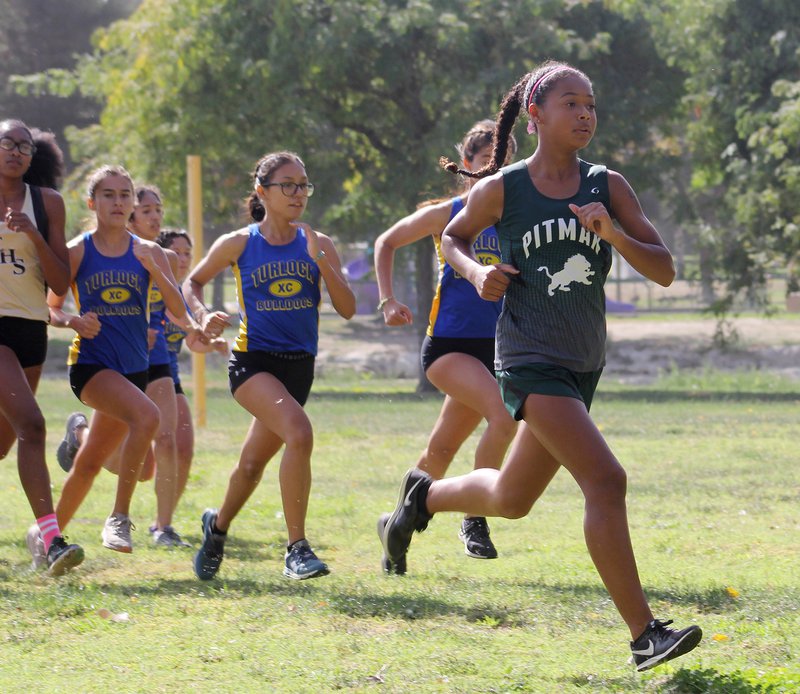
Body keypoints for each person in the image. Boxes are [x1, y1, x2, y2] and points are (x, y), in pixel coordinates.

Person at [379, 61, 702, 671]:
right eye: (570, 104)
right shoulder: (503, 187)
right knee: (606, 482)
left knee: (510, 496)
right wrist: (477, 273)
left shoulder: (609, 186)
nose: (585, 114)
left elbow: (663, 270)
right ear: (536, 116)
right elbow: (452, 237)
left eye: (591, 105)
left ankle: (421, 500)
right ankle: (644, 636)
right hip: (528, 360)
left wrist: (612, 235)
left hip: (582, 366)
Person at [186, 151, 356, 581]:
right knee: (299, 432)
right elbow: (192, 282)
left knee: (250, 465)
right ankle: (297, 549)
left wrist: (320, 259)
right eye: (288, 185)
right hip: (253, 363)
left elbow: (349, 309)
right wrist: (203, 314)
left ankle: (217, 527)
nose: (298, 193)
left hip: (299, 368)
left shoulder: (319, 243)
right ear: (263, 192)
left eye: (303, 185)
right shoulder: (240, 242)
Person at [374, 120, 518, 571]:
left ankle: (395, 527)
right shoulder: (449, 213)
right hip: (449, 349)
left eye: (507, 161)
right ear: (468, 166)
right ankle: (475, 517)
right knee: (502, 414)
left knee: (438, 453)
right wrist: (388, 300)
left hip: (495, 351)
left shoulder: (516, 217)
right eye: (490, 161)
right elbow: (387, 241)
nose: (499, 170)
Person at [41, 165, 188, 557]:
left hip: (132, 370)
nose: (119, 202)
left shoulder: (149, 251)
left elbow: (177, 307)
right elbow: (49, 308)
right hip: (90, 366)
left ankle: (45, 541)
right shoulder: (77, 251)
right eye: (109, 194)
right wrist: (73, 320)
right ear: (92, 202)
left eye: (126, 195)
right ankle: (118, 519)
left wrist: (155, 267)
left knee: (99, 465)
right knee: (148, 417)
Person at [0, 119, 83, 575]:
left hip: (29, 328)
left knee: (4, 443)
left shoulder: (47, 203)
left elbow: (59, 281)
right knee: (33, 424)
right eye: (8, 143)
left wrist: (31, 232)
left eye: (24, 147)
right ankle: (52, 541)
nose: (16, 152)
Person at [159, 228, 228, 523]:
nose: (184, 258)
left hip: (168, 375)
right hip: (135, 375)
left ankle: (163, 524)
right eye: (177, 252)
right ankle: (79, 436)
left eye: (188, 252)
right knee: (137, 463)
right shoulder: (151, 285)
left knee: (183, 449)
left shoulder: (184, 295)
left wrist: (212, 345)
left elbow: (192, 342)